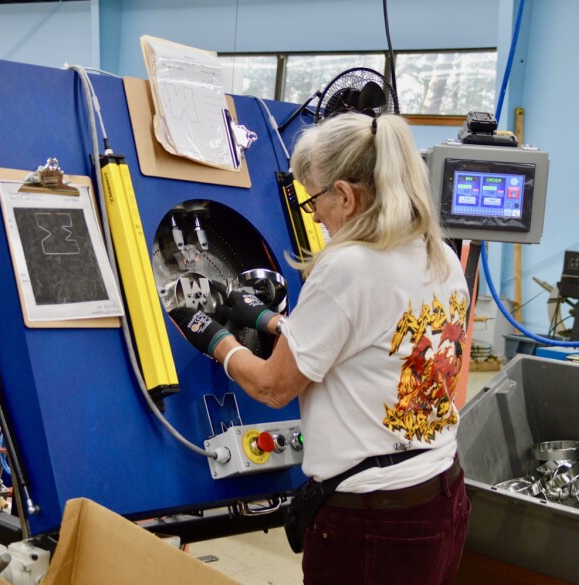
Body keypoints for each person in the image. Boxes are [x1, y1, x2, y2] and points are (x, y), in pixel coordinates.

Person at [170, 112, 470, 585]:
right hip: (440, 498)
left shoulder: (350, 266)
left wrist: (214, 338)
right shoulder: (439, 254)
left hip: (376, 522)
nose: (318, 218)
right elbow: (368, 342)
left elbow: (273, 388)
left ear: (346, 196)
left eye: (315, 202)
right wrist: (266, 320)